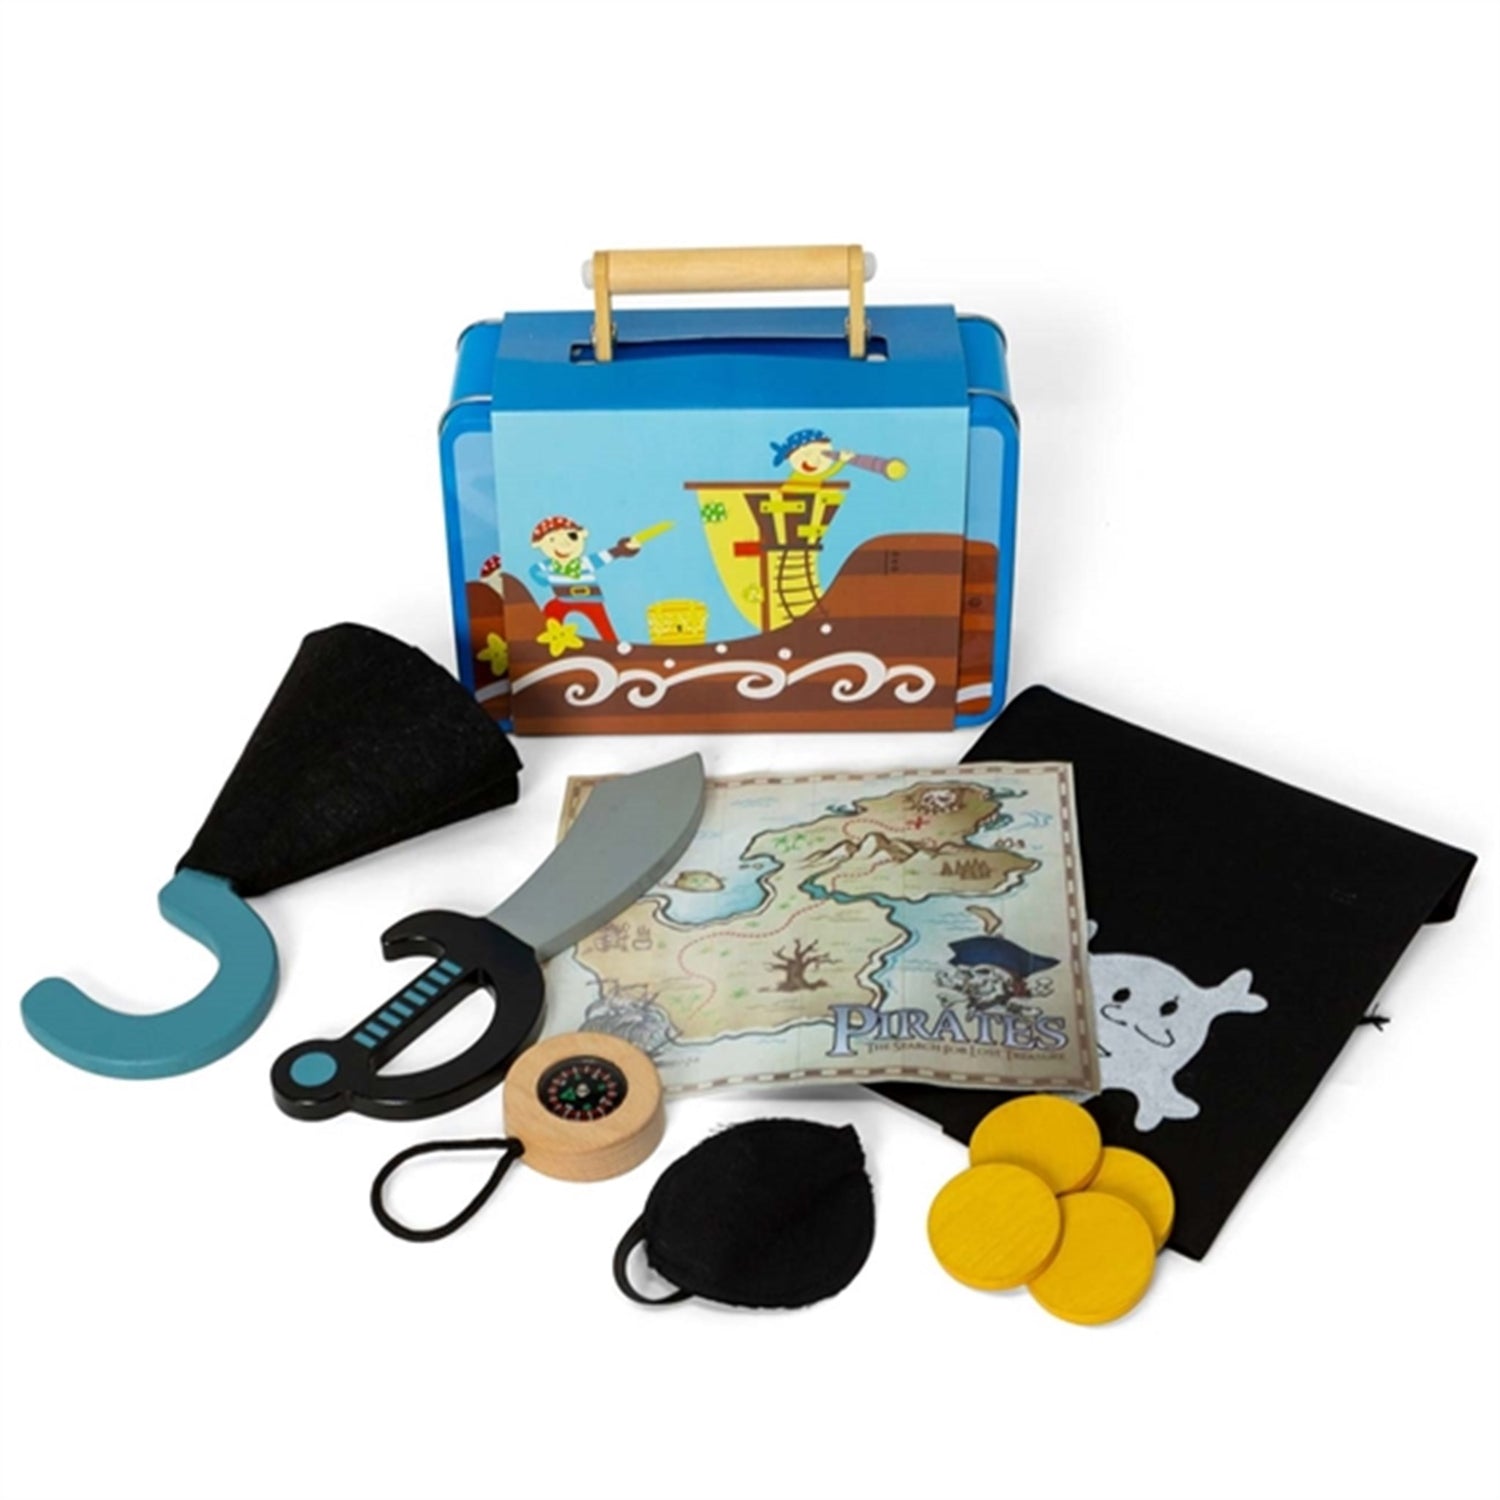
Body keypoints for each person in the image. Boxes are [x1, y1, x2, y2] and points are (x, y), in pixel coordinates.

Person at [528, 515, 640, 643]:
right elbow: (534, 570)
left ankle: (612, 643)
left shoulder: (585, 563)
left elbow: (607, 555)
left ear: (581, 536)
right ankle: (553, 638)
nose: (564, 544)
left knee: (602, 623)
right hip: (564, 598)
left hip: (590, 598)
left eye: (572, 536)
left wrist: (623, 548)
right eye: (552, 540)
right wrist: (544, 581)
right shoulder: (550, 565)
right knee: (551, 609)